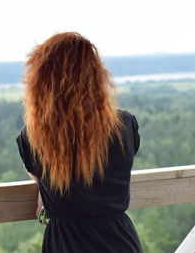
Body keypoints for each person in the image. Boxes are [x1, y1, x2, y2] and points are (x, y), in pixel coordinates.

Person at [16, 32, 143, 253]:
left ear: (42, 80)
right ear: (96, 75)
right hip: (120, 242)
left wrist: (44, 193)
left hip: (66, 243)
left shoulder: (33, 136)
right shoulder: (125, 124)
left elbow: (44, 175)